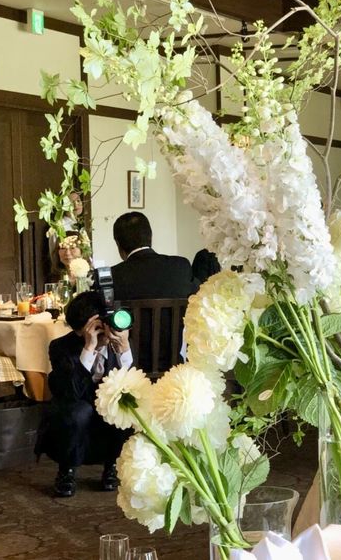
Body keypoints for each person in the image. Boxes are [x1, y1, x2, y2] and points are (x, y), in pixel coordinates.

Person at [35, 291, 133, 497]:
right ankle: (67, 470)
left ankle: (112, 466)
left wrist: (124, 349)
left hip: (110, 406)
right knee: (78, 412)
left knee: (125, 405)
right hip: (77, 405)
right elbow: (70, 393)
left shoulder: (120, 338)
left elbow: (134, 386)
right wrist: (89, 348)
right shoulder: (61, 347)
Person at [111, 212, 199, 371]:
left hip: (128, 369)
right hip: (174, 369)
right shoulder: (181, 267)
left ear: (118, 245)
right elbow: (198, 300)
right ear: (150, 237)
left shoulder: (112, 275)